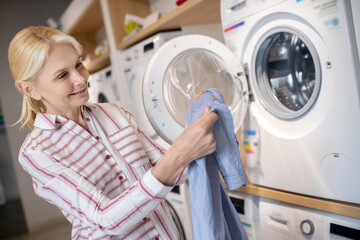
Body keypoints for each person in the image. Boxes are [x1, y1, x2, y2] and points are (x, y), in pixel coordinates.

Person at [8, 26, 218, 240]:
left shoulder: (113, 114)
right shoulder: (37, 152)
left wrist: (195, 124)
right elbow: (105, 218)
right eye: (62, 75)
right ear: (29, 89)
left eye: (79, 64)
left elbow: (174, 172)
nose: (80, 79)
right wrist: (178, 155)